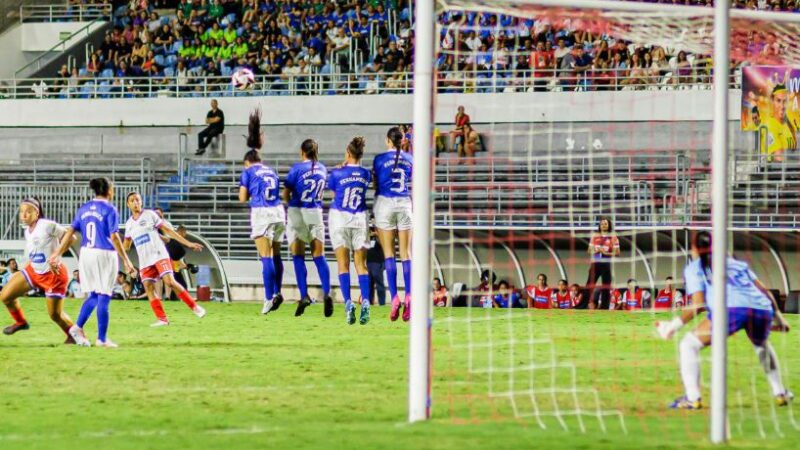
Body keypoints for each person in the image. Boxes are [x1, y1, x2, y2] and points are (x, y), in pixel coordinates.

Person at [656, 231, 793, 409]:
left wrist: (672, 326)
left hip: (732, 310)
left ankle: (692, 398)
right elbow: (764, 291)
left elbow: (697, 305)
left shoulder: (695, 267)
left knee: (688, 345)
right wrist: (779, 319)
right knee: (762, 345)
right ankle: (780, 392)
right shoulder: (735, 263)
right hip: (761, 309)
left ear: (695, 249)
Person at [50, 177, 137, 347]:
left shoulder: (84, 208)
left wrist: (58, 252)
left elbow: (71, 230)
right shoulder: (110, 209)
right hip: (104, 253)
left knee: (95, 294)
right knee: (104, 295)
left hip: (86, 253)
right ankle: (102, 339)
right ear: (109, 190)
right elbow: (114, 236)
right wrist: (126, 260)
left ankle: (76, 328)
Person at [2, 198, 78, 343]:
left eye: (28, 212)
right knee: (5, 296)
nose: (24, 215)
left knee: (55, 315)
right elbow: (37, 252)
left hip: (53, 275)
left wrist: (56, 255)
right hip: (34, 271)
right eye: (22, 212)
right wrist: (25, 267)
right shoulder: (27, 231)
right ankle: (21, 323)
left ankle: (74, 336)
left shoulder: (47, 225)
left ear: (37, 213)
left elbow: (71, 237)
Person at [124, 192, 206, 326]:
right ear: (128, 204)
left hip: (159, 254)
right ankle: (162, 319)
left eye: (137, 200)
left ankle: (195, 307)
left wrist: (188, 243)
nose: (135, 202)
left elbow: (168, 230)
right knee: (148, 287)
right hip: (145, 260)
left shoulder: (150, 215)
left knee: (169, 282)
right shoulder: (128, 225)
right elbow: (126, 246)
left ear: (141, 202)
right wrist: (124, 259)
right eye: (132, 201)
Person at [238, 109, 286, 315]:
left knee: (265, 256)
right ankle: (277, 291)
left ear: (247, 162)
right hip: (278, 212)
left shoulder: (248, 171)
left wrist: (249, 195)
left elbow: (242, 198)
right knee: (276, 255)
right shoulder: (270, 171)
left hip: (262, 212)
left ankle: (268, 299)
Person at [284, 138, 332, 317]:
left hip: (298, 211)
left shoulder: (296, 169)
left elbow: (286, 193)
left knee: (298, 255)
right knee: (319, 256)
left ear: (302, 151)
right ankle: (327, 292)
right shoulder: (322, 168)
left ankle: (304, 295)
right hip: (316, 212)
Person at [327, 136, 373, 325]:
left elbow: (335, 193)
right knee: (361, 265)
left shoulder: (336, 173)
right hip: (360, 220)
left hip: (340, 219)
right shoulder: (366, 173)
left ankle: (348, 304)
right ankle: (366, 303)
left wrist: (343, 164)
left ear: (347, 153)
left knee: (342, 265)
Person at [373, 126, 413, 322]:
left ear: (388, 140)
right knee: (406, 253)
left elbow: (376, 183)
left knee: (390, 253)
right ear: (402, 141)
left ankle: (395, 297)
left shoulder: (379, 159)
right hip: (405, 203)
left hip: (385, 204)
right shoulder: (410, 158)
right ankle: (409, 295)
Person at [586, 216, 620, 309]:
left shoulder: (613, 237)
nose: (603, 225)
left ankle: (604, 307)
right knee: (589, 285)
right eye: (602, 224)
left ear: (609, 225)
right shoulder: (595, 236)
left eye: (605, 224)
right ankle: (583, 305)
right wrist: (596, 251)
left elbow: (617, 252)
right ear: (599, 226)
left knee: (606, 286)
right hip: (595, 262)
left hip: (606, 263)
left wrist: (606, 252)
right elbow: (589, 251)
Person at [366, 225, 386, 305]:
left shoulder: (381, 234)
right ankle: (370, 302)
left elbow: (384, 244)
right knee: (369, 284)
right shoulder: (366, 236)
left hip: (378, 262)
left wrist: (377, 234)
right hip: (368, 262)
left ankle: (382, 303)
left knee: (379, 285)